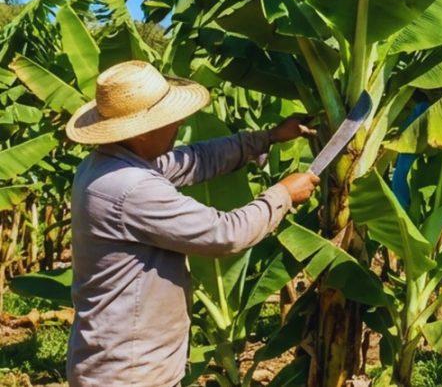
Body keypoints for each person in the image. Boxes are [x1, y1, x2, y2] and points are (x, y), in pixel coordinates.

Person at [63, 60, 321, 387]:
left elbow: (195, 160)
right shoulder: (131, 188)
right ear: (141, 132)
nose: (178, 123)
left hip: (119, 361)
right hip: (129, 373)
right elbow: (225, 234)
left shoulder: (106, 165)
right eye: (168, 120)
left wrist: (268, 137)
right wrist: (282, 194)